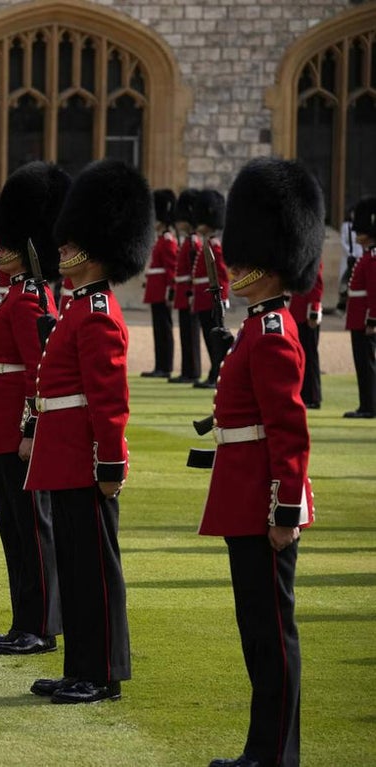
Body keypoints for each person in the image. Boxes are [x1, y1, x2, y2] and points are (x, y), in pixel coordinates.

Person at [198, 157, 323, 767]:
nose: (234, 266)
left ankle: (275, 754)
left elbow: (288, 430)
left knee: (272, 635)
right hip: (244, 495)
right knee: (258, 634)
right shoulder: (255, 327)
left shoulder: (273, 331)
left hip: (264, 503)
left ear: (272, 264)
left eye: (246, 259)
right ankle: (262, 750)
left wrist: (284, 510)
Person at [23, 159, 151, 704]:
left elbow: (109, 400)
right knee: (76, 568)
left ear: (94, 250)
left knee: (96, 570)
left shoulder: (97, 310)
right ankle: (81, 665)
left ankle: (102, 673)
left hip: (85, 458)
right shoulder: (77, 306)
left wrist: (109, 465)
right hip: (65, 451)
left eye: (72, 243)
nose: (62, 249)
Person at [0, 161, 69, 654]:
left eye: (7, 244)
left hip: (17, 432)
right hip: (0, 429)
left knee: (32, 529)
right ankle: (23, 618)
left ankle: (41, 625)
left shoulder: (31, 299)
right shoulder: (15, 296)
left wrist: (31, 429)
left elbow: (37, 374)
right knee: (14, 529)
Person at [191, 189, 231, 389]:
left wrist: (222, 299)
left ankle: (217, 375)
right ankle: (213, 373)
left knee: (214, 339)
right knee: (209, 338)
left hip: (212, 300)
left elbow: (223, 276)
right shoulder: (206, 245)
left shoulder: (214, 246)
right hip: (203, 298)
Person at [344, 197, 376, 418]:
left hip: (365, 321)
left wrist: (372, 320)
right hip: (359, 319)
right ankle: (366, 404)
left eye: (361, 228)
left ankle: (369, 406)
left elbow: (374, 293)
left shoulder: (373, 257)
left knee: (367, 364)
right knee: (363, 363)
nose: (356, 232)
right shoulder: (366, 256)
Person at [141, 189, 178, 378]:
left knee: (164, 329)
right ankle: (160, 366)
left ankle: (166, 367)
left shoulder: (168, 240)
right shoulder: (161, 240)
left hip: (162, 292)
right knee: (159, 330)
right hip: (156, 291)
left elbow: (171, 270)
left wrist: (170, 292)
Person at [170, 188, 202, 384]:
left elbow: (193, 272)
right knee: (185, 333)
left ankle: (193, 371)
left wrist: (191, 293)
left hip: (190, 293)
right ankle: (187, 370)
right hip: (184, 293)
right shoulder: (188, 242)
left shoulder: (193, 243)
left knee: (191, 333)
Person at [288, 262, 324, 409]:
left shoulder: (313, 260)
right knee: (301, 357)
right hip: (297, 312)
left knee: (310, 357)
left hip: (307, 315)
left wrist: (314, 312)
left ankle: (313, 398)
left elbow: (317, 286)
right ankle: (304, 395)